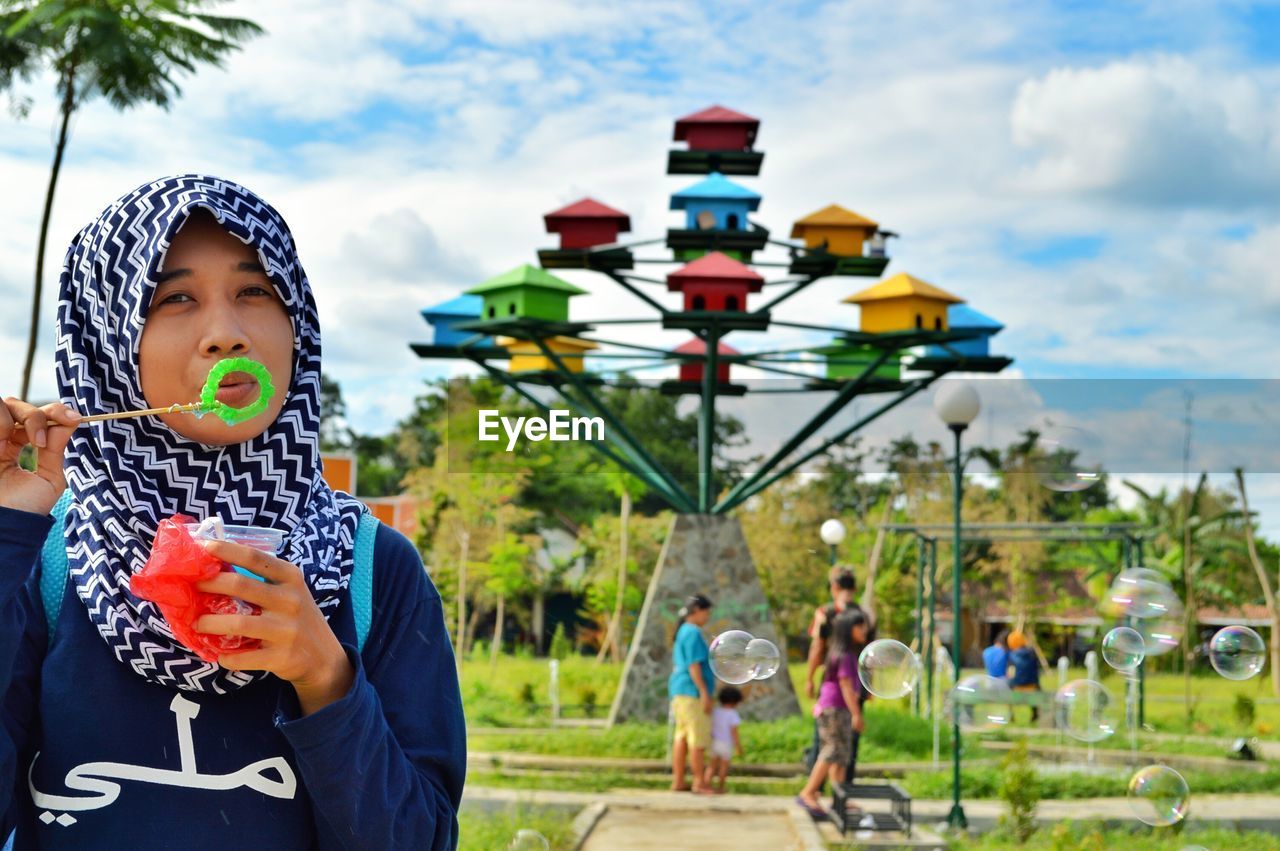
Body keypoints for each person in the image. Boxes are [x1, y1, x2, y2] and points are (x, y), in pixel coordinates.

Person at [0, 176, 464, 848]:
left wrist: (327, 678)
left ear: (296, 321)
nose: (226, 334)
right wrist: (9, 528)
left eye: (255, 292)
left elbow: (421, 838)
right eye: (176, 298)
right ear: (107, 337)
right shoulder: (46, 561)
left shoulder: (372, 568)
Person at [797, 608, 868, 818]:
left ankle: (839, 798)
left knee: (842, 755)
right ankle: (808, 792)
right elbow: (845, 686)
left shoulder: (844, 654)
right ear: (848, 629)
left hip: (838, 709)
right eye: (860, 625)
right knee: (832, 750)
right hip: (835, 709)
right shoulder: (844, 656)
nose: (864, 629)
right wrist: (857, 713)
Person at [804, 567, 872, 784]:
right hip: (854, 679)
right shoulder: (864, 613)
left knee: (825, 739)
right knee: (848, 740)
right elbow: (872, 652)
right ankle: (841, 788)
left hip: (831, 682)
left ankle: (821, 788)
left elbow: (817, 647)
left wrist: (809, 678)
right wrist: (870, 685)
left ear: (834, 587)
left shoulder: (825, 612)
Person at [669, 593, 715, 794]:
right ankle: (699, 782)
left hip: (680, 691)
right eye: (706, 612)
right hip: (691, 692)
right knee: (697, 738)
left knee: (682, 736)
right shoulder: (693, 632)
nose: (707, 617)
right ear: (696, 611)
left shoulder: (683, 631)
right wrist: (704, 691)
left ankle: (679, 780)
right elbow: (694, 666)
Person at [705, 685, 744, 794]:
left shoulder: (716, 711)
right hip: (726, 744)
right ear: (736, 701)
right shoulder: (733, 714)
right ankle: (720, 787)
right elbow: (734, 732)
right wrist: (738, 747)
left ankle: (706, 784)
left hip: (714, 742)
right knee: (723, 767)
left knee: (712, 766)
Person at [1008, 630, 1042, 722]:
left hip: (1016, 688)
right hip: (1032, 687)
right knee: (1038, 689)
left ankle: (1011, 716)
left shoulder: (1011, 654)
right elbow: (1037, 670)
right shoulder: (1031, 652)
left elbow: (1010, 673)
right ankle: (1034, 714)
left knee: (1007, 688)